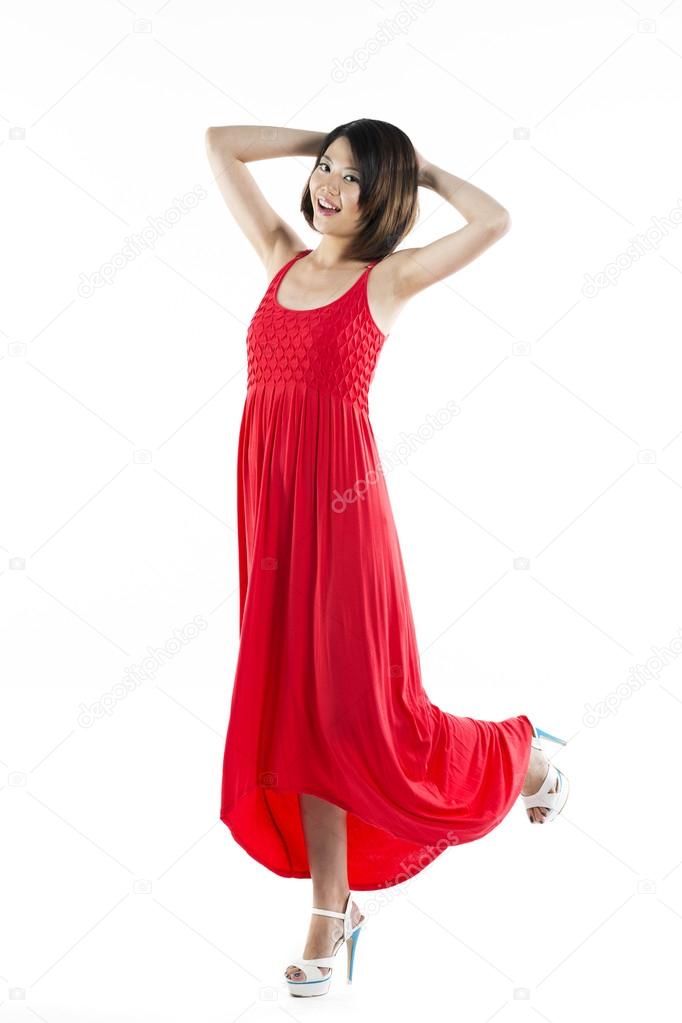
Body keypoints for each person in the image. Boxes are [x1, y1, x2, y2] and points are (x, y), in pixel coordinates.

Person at [204, 118, 570, 997]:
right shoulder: (281, 256)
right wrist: (324, 140)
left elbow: (494, 222)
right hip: (272, 512)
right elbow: (219, 142)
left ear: (385, 198)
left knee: (366, 713)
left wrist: (423, 169)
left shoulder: (387, 280)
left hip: (343, 519)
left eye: (353, 179)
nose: (329, 186)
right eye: (327, 171)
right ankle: (335, 909)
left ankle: (521, 760)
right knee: (300, 713)